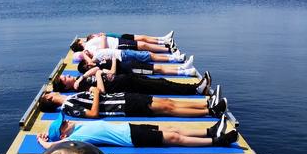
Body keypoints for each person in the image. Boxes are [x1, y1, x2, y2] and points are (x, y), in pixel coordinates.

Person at [37, 112, 235, 149]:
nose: (67, 120)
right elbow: (54, 147)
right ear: (64, 134)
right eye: (64, 123)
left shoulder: (78, 126)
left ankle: (210, 131)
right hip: (131, 137)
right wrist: (44, 141)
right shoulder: (76, 137)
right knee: (173, 137)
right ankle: (217, 141)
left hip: (129, 128)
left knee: (171, 128)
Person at [38, 87, 227, 119]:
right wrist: (95, 94)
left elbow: (99, 95)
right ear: (49, 99)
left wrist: (96, 91)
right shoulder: (68, 107)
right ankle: (210, 112)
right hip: (122, 107)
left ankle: (206, 105)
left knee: (167, 101)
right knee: (168, 109)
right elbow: (94, 113)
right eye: (49, 93)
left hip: (123, 97)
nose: (52, 91)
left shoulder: (71, 98)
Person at [53, 70, 213, 96]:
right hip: (126, 86)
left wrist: (82, 77)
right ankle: (196, 90)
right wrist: (100, 75)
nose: (67, 75)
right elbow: (100, 92)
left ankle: (196, 87)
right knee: (161, 86)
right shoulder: (80, 90)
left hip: (126, 79)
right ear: (65, 86)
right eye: (64, 78)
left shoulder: (80, 80)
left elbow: (95, 68)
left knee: (161, 82)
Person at [78, 54, 195, 76]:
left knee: (156, 66)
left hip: (131, 64)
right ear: (88, 67)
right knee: (158, 69)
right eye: (88, 64)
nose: (90, 62)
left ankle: (182, 67)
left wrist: (109, 59)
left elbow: (85, 57)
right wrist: (113, 60)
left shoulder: (98, 63)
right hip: (132, 69)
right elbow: (112, 72)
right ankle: (185, 72)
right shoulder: (98, 69)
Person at [71, 32, 177, 54]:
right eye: (79, 41)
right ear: (79, 44)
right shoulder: (87, 49)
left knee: (142, 44)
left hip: (118, 41)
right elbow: (101, 51)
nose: (82, 40)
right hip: (118, 45)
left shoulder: (89, 42)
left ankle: (165, 45)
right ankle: (168, 49)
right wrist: (103, 38)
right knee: (143, 46)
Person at [73, 48, 185, 67]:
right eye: (84, 53)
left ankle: (173, 57)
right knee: (149, 56)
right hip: (123, 56)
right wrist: (83, 55)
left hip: (123, 53)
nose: (87, 51)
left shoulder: (95, 53)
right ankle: (175, 59)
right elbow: (91, 63)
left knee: (149, 55)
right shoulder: (93, 59)